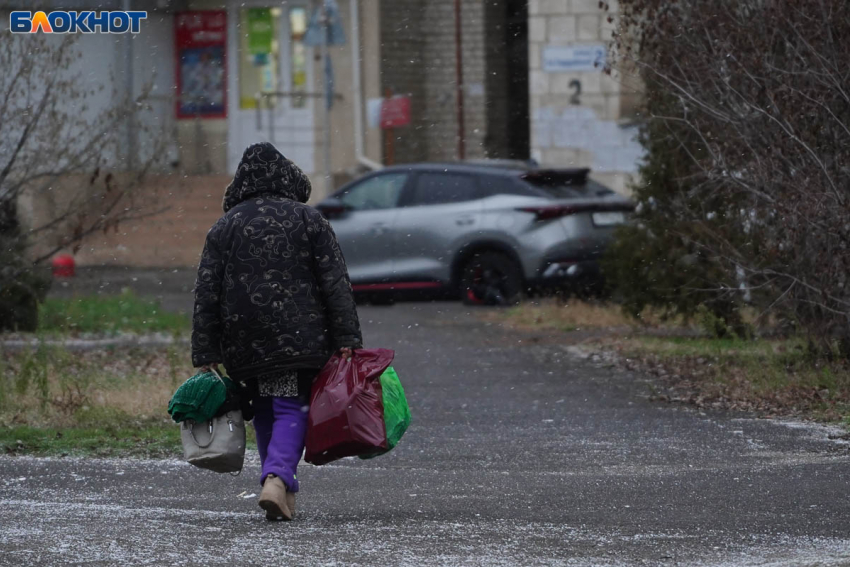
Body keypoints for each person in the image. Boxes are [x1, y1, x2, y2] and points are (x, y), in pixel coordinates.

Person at [191, 142, 363, 521]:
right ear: (287, 177)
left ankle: (283, 492)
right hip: (295, 339)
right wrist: (347, 337)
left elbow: (207, 290)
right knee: (289, 408)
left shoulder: (225, 225)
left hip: (243, 341)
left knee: (267, 409)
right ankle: (276, 478)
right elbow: (334, 282)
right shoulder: (308, 219)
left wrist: (205, 350)